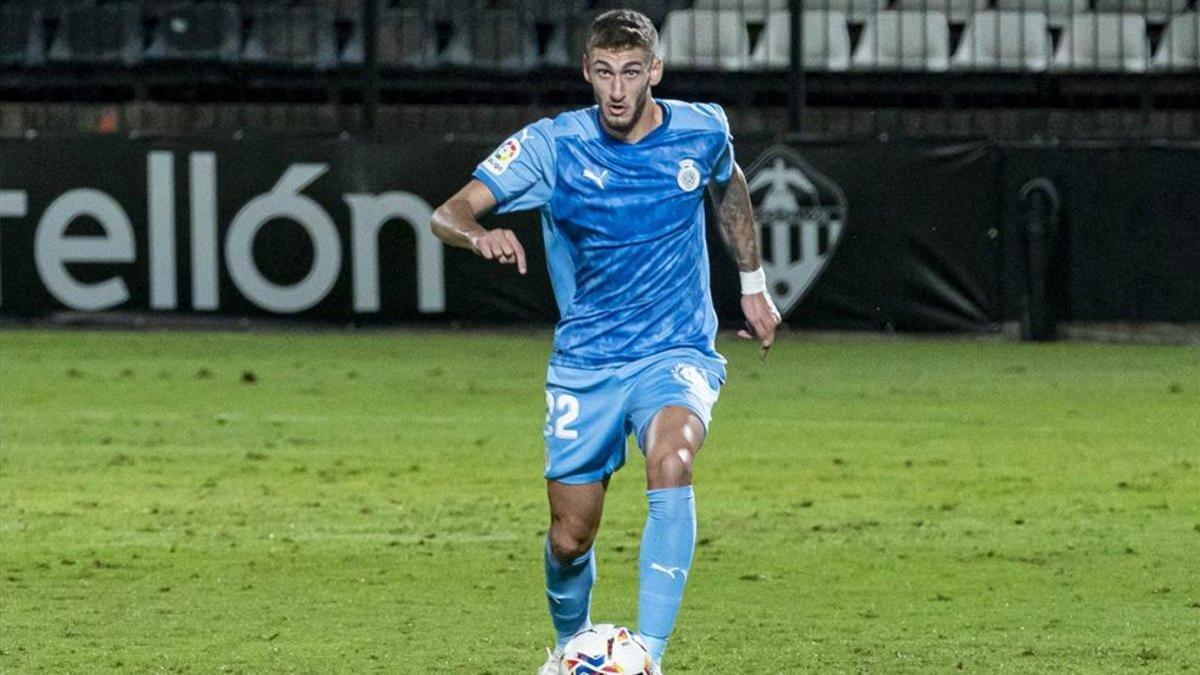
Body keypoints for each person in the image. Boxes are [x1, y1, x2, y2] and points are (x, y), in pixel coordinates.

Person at [430, 9, 780, 674]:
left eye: (630, 72)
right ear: (586, 72)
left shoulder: (701, 129)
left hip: (675, 350)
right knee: (570, 536)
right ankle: (570, 647)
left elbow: (727, 183)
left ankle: (648, 658)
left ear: (655, 72)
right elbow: (448, 211)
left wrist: (754, 283)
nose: (616, 90)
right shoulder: (551, 146)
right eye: (602, 73)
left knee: (672, 459)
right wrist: (480, 235)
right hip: (587, 363)